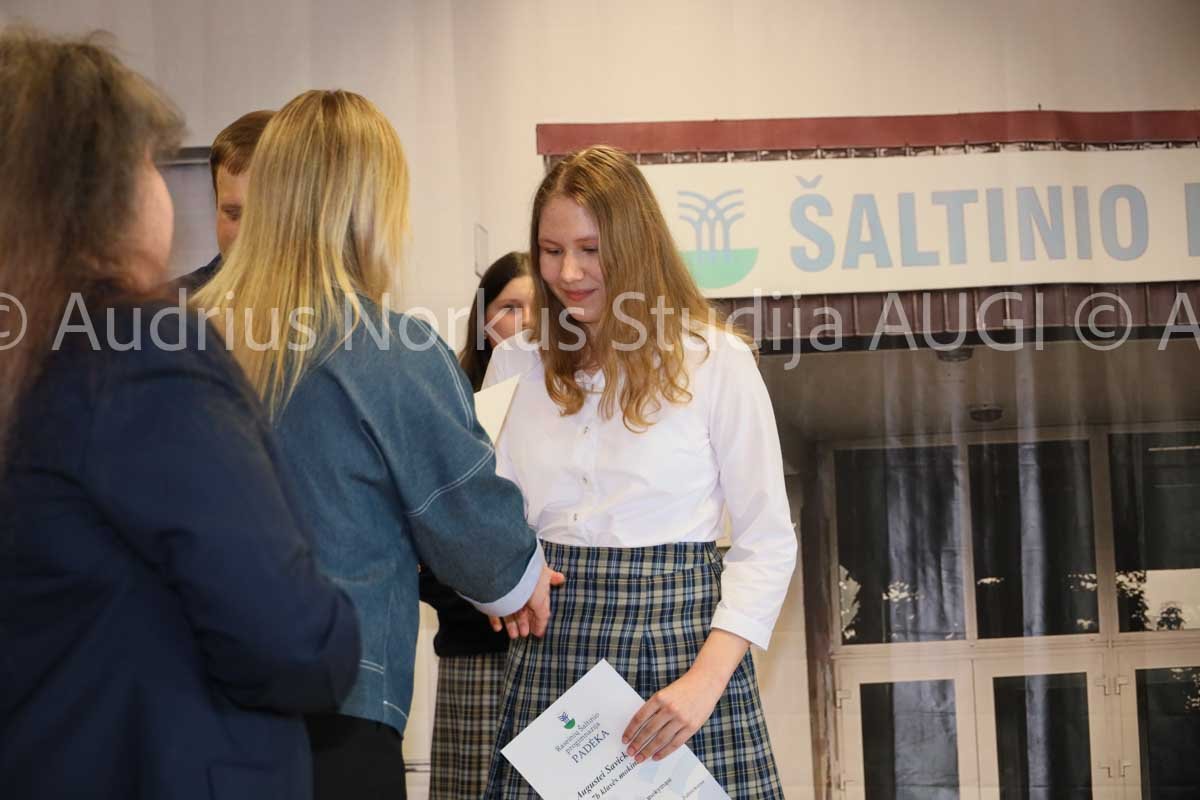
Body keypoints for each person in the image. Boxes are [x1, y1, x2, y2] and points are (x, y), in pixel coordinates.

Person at [0, 30, 361, 800]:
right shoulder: (139, 352)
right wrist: (340, 625)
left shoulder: (27, 347)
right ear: (106, 191)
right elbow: (292, 637)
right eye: (153, 167)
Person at [193, 90, 562, 800]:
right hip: (336, 712)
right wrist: (522, 584)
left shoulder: (179, 334)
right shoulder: (393, 351)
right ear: (370, 208)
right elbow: (481, 540)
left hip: (194, 704)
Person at [482, 146, 797, 799]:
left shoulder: (716, 360)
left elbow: (767, 542)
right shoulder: (514, 362)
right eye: (551, 250)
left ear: (635, 245)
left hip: (683, 658)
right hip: (553, 652)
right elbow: (482, 512)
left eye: (590, 250)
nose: (568, 272)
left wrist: (704, 685)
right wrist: (501, 582)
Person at [419, 250, 534, 799]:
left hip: (562, 644)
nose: (527, 321)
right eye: (510, 307)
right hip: (476, 652)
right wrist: (488, 596)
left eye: (539, 307)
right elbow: (424, 532)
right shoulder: (451, 402)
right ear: (484, 320)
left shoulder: (575, 402)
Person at [177, 109, 274, 289]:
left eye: (262, 216)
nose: (246, 235)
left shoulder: (328, 300)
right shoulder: (177, 301)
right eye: (233, 214)